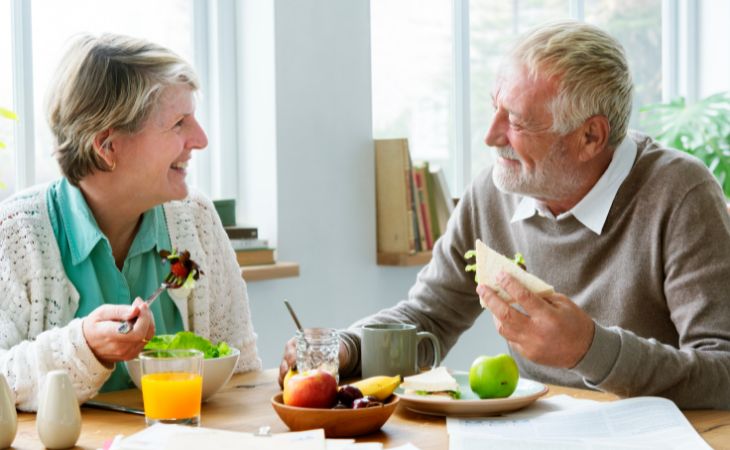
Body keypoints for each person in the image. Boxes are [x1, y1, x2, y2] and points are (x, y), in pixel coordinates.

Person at [279, 20, 730, 409]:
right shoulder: (494, 191)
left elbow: (723, 371)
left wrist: (590, 350)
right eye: (494, 107)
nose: (491, 137)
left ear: (591, 137)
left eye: (515, 121)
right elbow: (429, 316)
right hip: (533, 431)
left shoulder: (680, 194)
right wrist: (346, 347)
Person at [0, 34, 261, 411]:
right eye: (178, 123)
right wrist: (85, 347)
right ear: (108, 148)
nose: (200, 139)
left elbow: (242, 377)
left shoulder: (197, 220)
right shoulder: (15, 234)